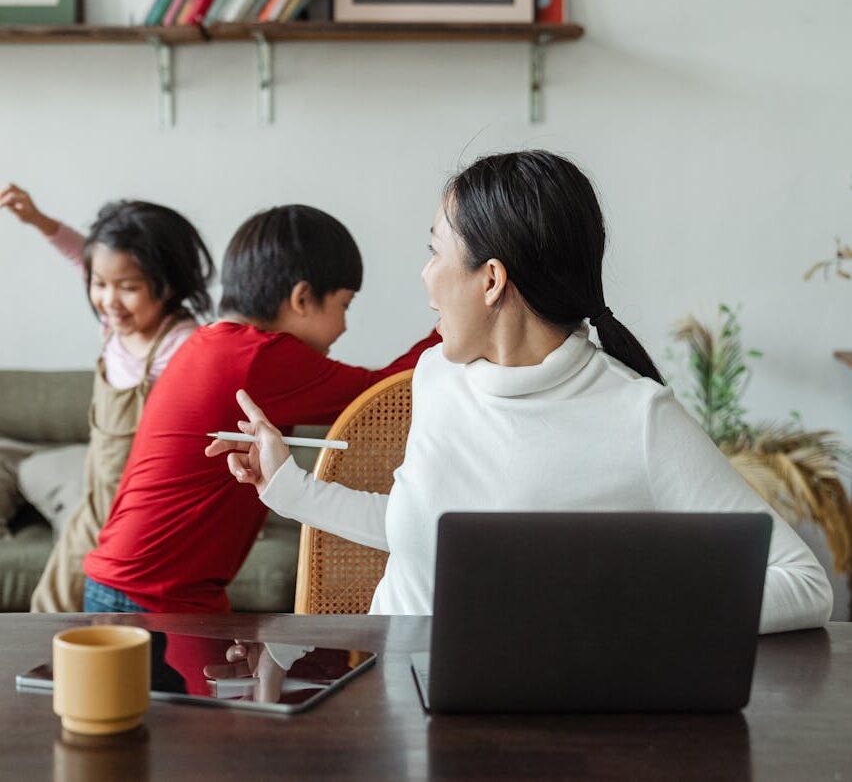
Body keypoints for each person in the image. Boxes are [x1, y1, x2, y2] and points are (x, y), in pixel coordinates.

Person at [207, 151, 834, 635]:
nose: (425, 276)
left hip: (536, 720)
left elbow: (803, 584)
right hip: (391, 700)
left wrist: (623, 605)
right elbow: (420, 532)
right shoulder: (437, 377)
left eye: (434, 251)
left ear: (491, 280)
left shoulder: (639, 417)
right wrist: (288, 487)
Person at [82, 204, 440, 613]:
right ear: (302, 298)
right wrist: (452, 321)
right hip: (149, 597)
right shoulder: (256, 357)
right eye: (344, 305)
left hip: (138, 585)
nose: (343, 326)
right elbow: (381, 398)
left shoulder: (215, 343)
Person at [1, 184, 214, 612]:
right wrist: (40, 221)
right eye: (100, 284)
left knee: (97, 612)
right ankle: (46, 676)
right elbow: (85, 256)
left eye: (128, 288)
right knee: (51, 602)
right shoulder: (115, 327)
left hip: (138, 513)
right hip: (95, 496)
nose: (109, 300)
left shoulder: (182, 346)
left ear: (168, 284)